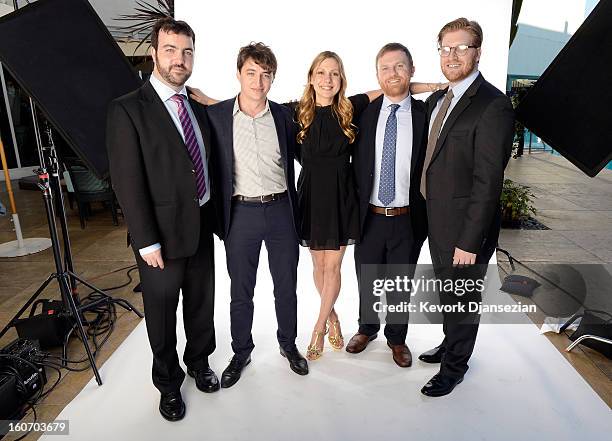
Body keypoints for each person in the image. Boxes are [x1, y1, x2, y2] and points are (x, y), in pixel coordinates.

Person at [191, 54, 441, 362]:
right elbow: (251, 105)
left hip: (341, 198)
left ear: (341, 79)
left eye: (334, 74)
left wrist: (436, 85)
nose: (327, 79)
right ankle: (333, 317)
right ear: (311, 77)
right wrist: (208, 100)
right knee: (318, 267)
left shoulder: (351, 107)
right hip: (309, 197)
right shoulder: (295, 112)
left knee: (332, 267)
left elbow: (394, 87)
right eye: (321, 73)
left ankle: (319, 327)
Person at [106, 18, 220, 421]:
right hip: (160, 238)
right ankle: (168, 384)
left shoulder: (197, 105)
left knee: (202, 303)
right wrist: (145, 240)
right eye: (170, 50)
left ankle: (199, 362)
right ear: (153, 53)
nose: (179, 59)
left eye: (187, 51)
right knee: (162, 312)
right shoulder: (127, 109)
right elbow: (127, 181)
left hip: (202, 223)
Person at [418, 18, 514, 397]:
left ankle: (454, 367)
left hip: (464, 229)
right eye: (446, 48)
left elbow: (488, 182)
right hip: (437, 219)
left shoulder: (493, 106)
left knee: (462, 297)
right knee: (447, 292)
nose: (452, 55)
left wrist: (469, 241)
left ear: (478, 52)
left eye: (462, 47)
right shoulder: (438, 99)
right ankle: (449, 343)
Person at [206, 42, 309, 389]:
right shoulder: (217, 116)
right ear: (238, 74)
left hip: (281, 211)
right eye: (251, 73)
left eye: (266, 75)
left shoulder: (284, 117)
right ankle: (241, 351)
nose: (258, 82)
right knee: (241, 290)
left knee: (286, 286)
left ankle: (288, 344)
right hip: (241, 214)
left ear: (273, 79)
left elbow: (309, 157)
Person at [347, 43, 428, 368]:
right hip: (369, 215)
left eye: (399, 66)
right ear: (376, 74)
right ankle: (367, 328)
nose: (392, 73)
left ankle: (397, 337)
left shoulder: (425, 114)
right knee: (366, 276)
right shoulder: (362, 112)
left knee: (400, 282)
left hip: (408, 217)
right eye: (385, 68)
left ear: (411, 70)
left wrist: (433, 87)